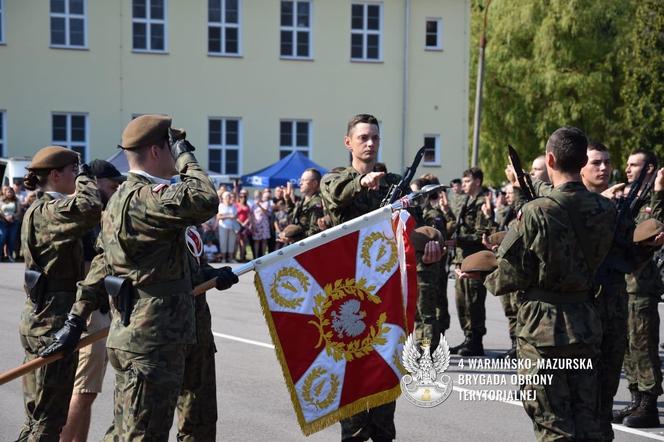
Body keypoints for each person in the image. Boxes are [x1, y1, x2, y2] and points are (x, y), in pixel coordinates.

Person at [41, 115, 236, 440]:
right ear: (158, 151)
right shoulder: (145, 197)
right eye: (173, 146)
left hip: (165, 333)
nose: (179, 153)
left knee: (141, 430)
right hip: (153, 339)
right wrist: (187, 155)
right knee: (140, 434)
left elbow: (110, 263)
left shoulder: (122, 199)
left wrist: (76, 319)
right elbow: (206, 198)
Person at [484, 127, 616, 441]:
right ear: (584, 162)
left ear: (550, 159)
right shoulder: (606, 209)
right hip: (586, 323)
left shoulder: (534, 213)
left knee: (553, 425)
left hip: (543, 330)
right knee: (587, 421)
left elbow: (508, 276)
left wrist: (480, 271)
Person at [320, 113, 409, 442]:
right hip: (348, 301)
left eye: (375, 137)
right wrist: (362, 183)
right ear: (349, 143)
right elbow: (335, 195)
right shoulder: (335, 179)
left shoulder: (395, 182)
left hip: (386, 299)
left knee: (385, 402)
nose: (370, 143)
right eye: (363, 138)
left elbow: (421, 220)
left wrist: (431, 241)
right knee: (355, 408)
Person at [17, 146, 102, 441]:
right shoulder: (51, 210)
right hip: (52, 322)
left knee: (39, 415)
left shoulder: (38, 209)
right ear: (55, 175)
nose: (77, 177)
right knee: (48, 420)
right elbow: (92, 207)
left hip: (42, 316)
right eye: (72, 172)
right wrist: (87, 178)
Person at [61, 159, 125, 442]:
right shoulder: (85, 218)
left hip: (91, 309)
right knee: (83, 390)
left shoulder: (89, 214)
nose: (116, 191)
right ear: (95, 183)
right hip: (88, 311)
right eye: (112, 186)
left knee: (87, 390)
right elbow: (86, 269)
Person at [613, 149, 664, 428]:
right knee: (628, 345)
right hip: (624, 283)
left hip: (643, 285)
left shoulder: (655, 199)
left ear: (650, 169)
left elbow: (655, 229)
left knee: (644, 345)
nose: (628, 168)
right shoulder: (628, 198)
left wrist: (657, 193)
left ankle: (649, 405)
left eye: (635, 164)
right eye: (628, 163)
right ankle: (635, 398)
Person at [176, 226, 238, 441]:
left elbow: (196, 267)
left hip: (198, 331)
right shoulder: (151, 214)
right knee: (147, 422)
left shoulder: (191, 226)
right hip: (163, 335)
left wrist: (212, 274)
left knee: (200, 414)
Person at [444, 167, 494, 356]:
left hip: (475, 260)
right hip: (461, 258)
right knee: (462, 303)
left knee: (474, 302)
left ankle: (475, 341)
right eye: (463, 181)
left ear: (477, 182)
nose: (463, 184)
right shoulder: (466, 200)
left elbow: (483, 234)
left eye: (467, 181)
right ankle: (468, 338)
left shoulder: (482, 202)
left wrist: (460, 240)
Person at [284, 168, 325, 238]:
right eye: (300, 180)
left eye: (304, 180)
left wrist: (293, 238)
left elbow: (315, 231)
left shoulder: (316, 203)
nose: (300, 183)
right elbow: (292, 218)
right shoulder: (302, 201)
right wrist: (288, 200)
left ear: (314, 183)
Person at [1, 185, 22, 261]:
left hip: (14, 222)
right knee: (2, 238)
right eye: (8, 192)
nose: (10, 193)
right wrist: (5, 217)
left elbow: (19, 212)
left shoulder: (16, 201)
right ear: (5, 192)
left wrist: (12, 216)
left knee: (11, 239)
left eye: (11, 192)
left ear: (13, 192)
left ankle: (10, 256)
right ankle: (2, 256)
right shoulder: (1, 200)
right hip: (3, 222)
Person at [217, 190, 238, 263]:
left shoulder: (233, 206)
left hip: (232, 227)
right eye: (227, 196)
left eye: (229, 196)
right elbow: (218, 216)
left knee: (231, 242)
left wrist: (224, 216)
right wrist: (229, 215)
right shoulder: (221, 206)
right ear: (223, 198)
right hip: (223, 226)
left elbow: (235, 216)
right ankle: (223, 258)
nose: (229, 197)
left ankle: (231, 258)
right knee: (223, 242)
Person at [251, 189, 272, 257]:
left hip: (264, 224)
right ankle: (256, 256)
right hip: (256, 224)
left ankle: (263, 256)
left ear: (261, 195)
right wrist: (253, 224)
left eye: (259, 196)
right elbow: (251, 214)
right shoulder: (253, 204)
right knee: (256, 241)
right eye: (256, 196)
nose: (258, 197)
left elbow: (265, 211)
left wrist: (259, 205)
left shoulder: (266, 202)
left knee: (264, 240)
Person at [235, 189, 251, 261]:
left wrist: (245, 223)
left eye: (244, 197)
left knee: (243, 241)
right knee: (238, 241)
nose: (243, 198)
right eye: (241, 197)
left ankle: (242, 256)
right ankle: (238, 255)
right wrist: (241, 223)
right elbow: (235, 215)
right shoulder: (236, 205)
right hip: (238, 224)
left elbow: (249, 216)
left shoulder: (247, 206)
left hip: (245, 225)